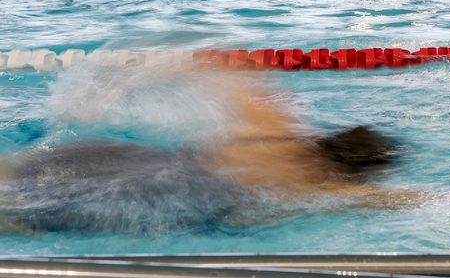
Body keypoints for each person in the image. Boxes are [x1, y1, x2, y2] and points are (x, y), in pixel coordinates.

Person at [0, 67, 403, 235]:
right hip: (155, 191)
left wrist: (107, 90)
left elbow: (205, 68)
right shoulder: (315, 183)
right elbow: (392, 201)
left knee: (13, 176)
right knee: (20, 220)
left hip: (114, 154)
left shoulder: (273, 123)